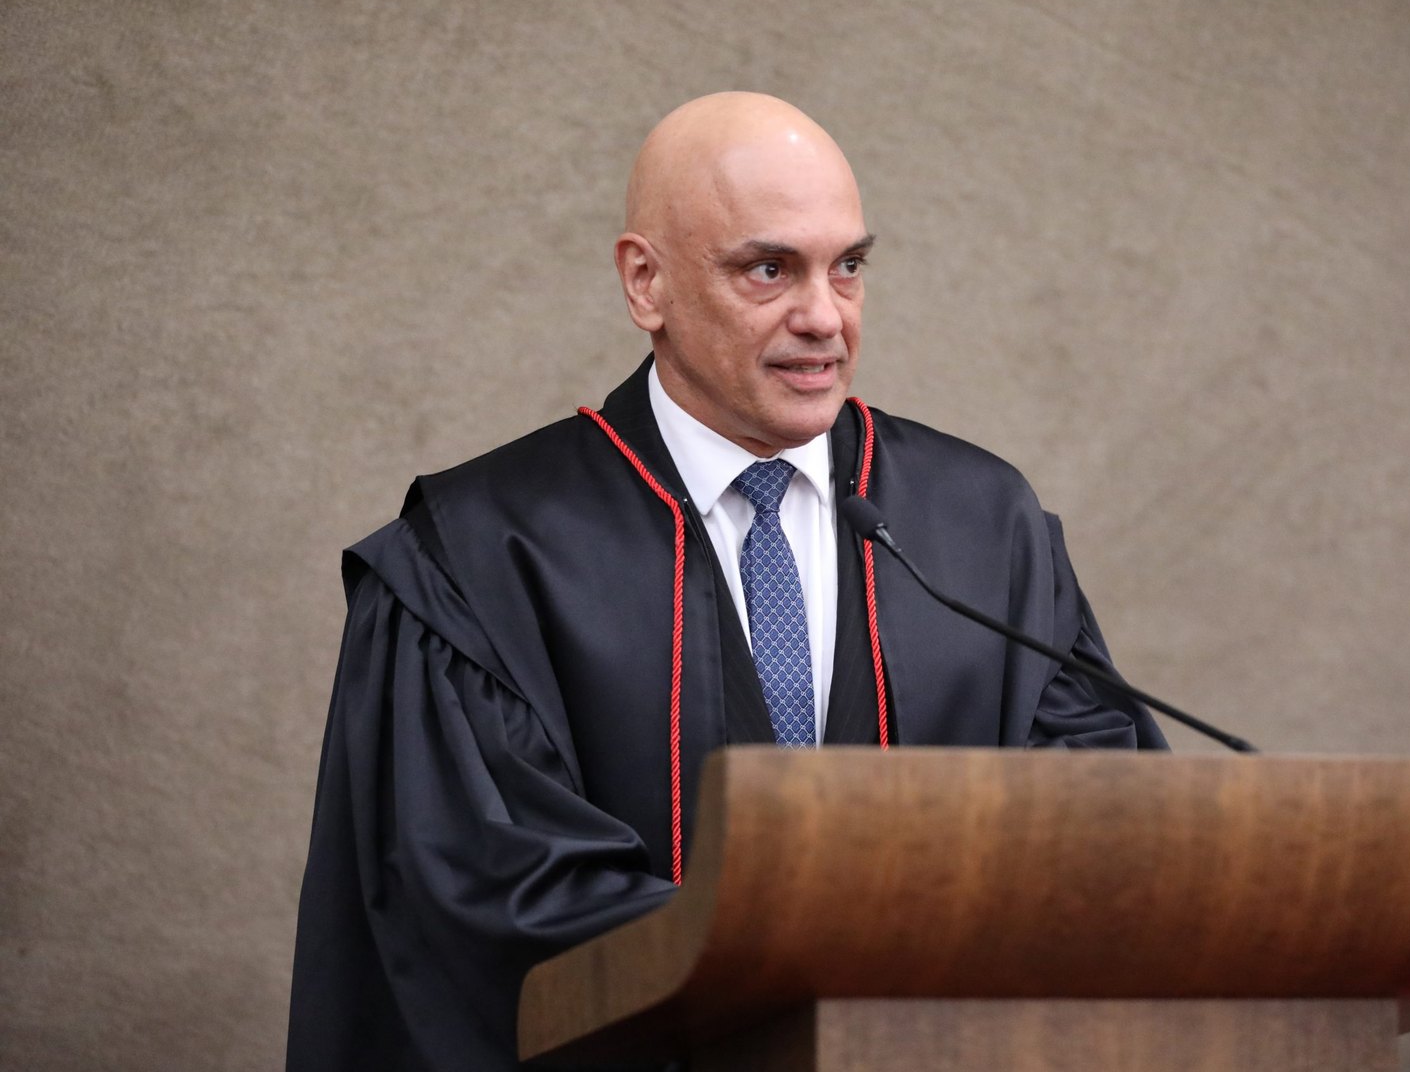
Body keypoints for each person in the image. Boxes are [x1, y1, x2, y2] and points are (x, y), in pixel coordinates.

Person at [285, 92, 1167, 1072]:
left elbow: (1100, 832)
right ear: (646, 282)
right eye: (769, 269)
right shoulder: (479, 554)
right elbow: (487, 898)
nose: (824, 318)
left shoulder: (982, 528)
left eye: (848, 267)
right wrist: (831, 967)